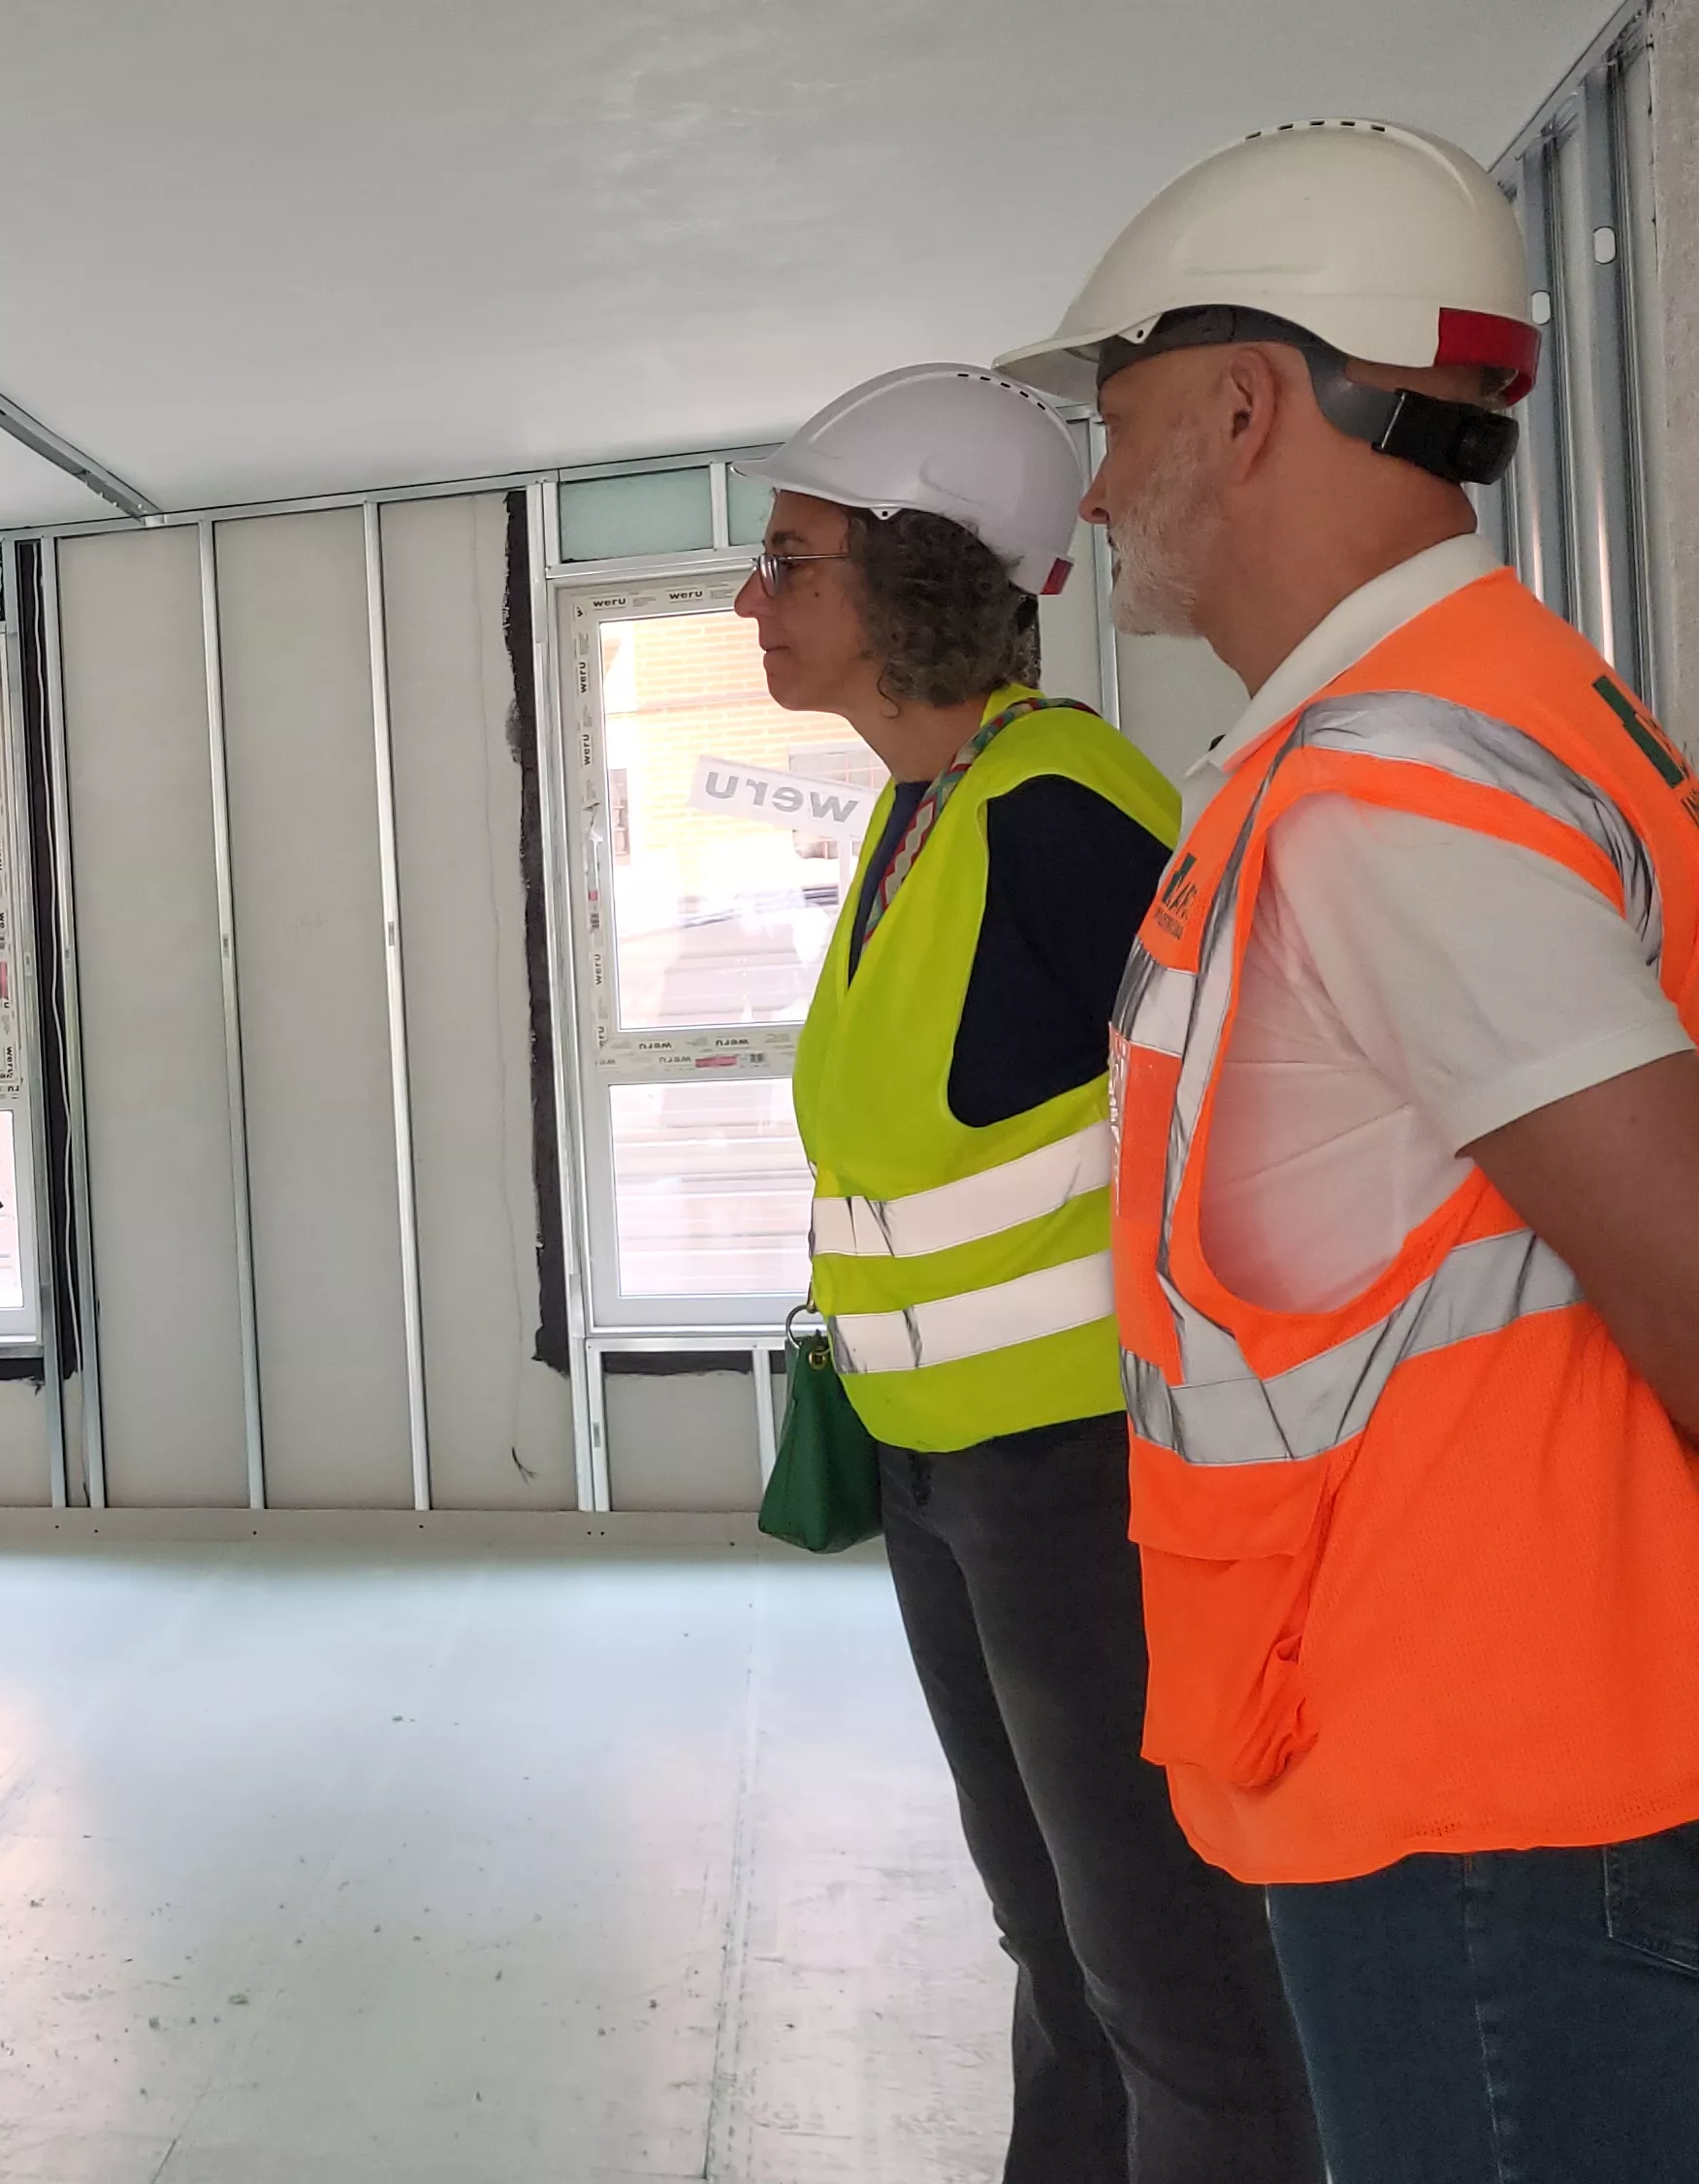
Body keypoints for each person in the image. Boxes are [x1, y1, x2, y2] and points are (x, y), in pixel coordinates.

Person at [998, 118, 1699, 2184]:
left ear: (1240, 407)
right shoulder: (1472, 712)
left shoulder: (1390, 785)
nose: (1097, 490)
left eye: (1117, 423)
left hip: (1493, 1796)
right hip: (1460, 1754)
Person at [743, 368, 1322, 2181]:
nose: (752, 596)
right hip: (947, 1468)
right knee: (1061, 1946)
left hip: (1085, 1475)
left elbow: (1261, 1117)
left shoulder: (1063, 809)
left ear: (909, 574)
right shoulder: (924, 807)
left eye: (789, 559)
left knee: (1175, 1976)